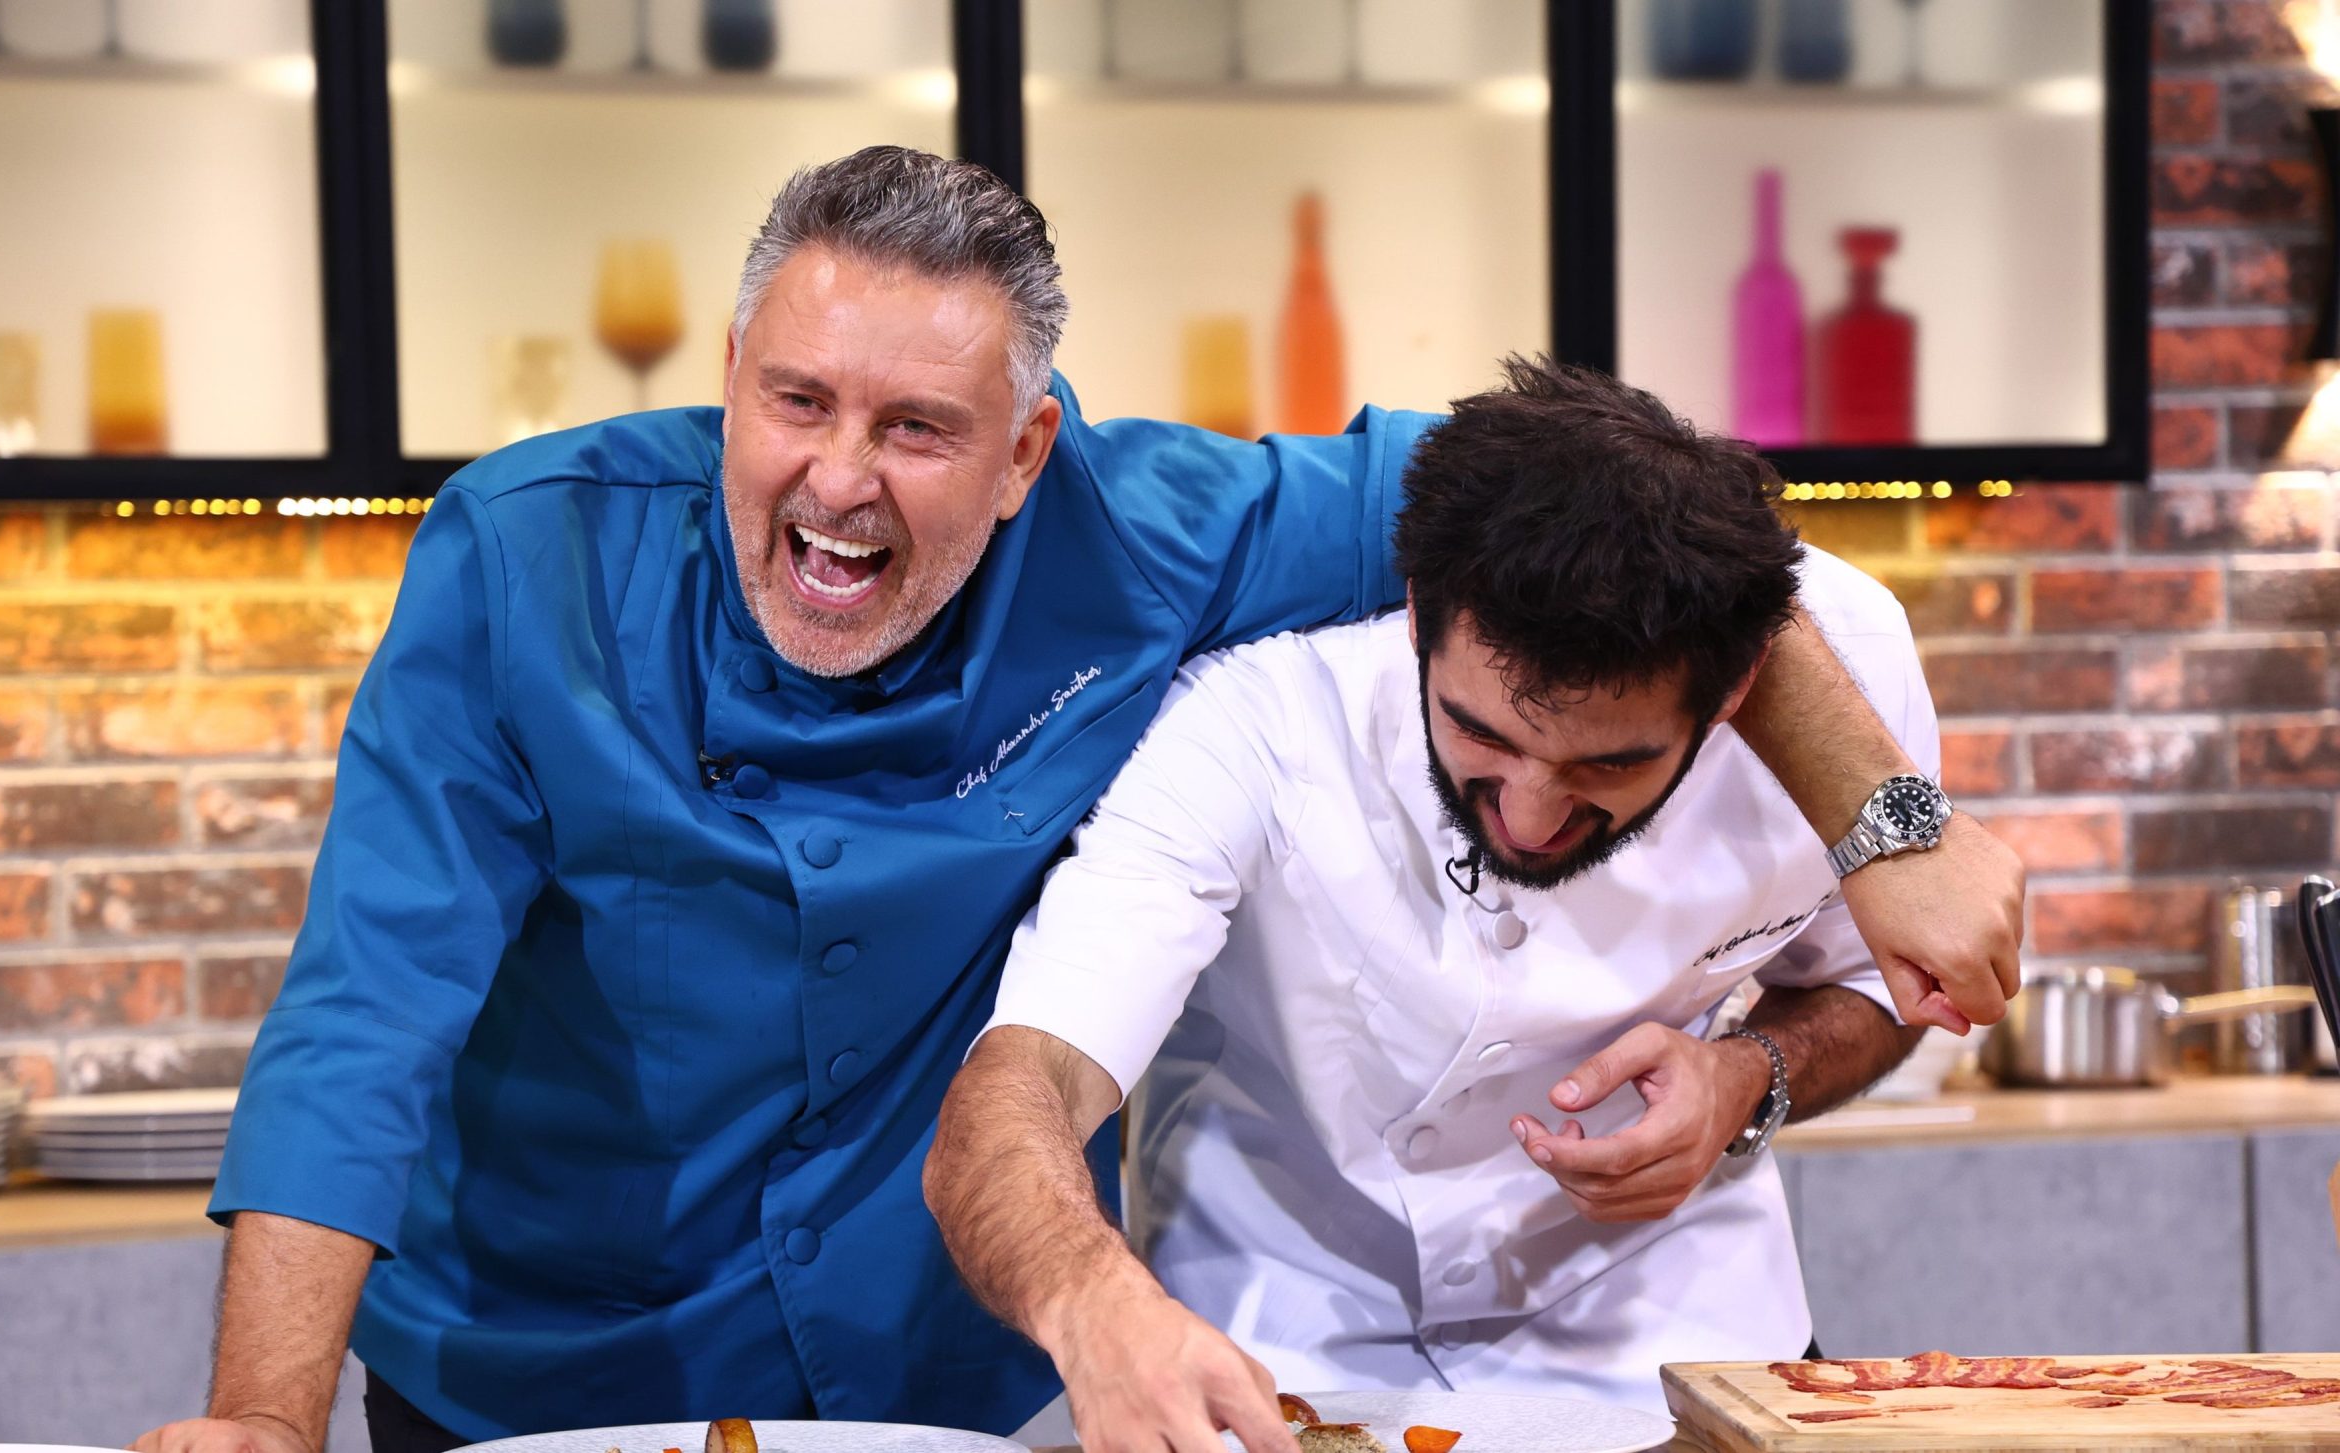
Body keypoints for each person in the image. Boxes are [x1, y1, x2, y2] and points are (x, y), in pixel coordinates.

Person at [133, 149, 2018, 1453]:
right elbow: (368, 1013)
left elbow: (1650, 519)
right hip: (536, 1370)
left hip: (924, 1387)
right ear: (729, 379)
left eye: (917, 428)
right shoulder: (519, 558)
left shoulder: (1161, 534)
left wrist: (1889, 828)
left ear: (1032, 446)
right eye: (795, 401)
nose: (838, 481)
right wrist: (263, 1418)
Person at [927, 359, 1947, 1445]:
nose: (1531, 816)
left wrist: (1749, 1077)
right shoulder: (1252, 725)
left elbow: (1876, 979)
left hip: (1684, 1346)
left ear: (1737, 690)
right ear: (1420, 616)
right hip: (1284, 1359)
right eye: (1479, 733)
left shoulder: (1854, 679)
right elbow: (1020, 1088)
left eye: (1609, 765)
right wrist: (1090, 1301)